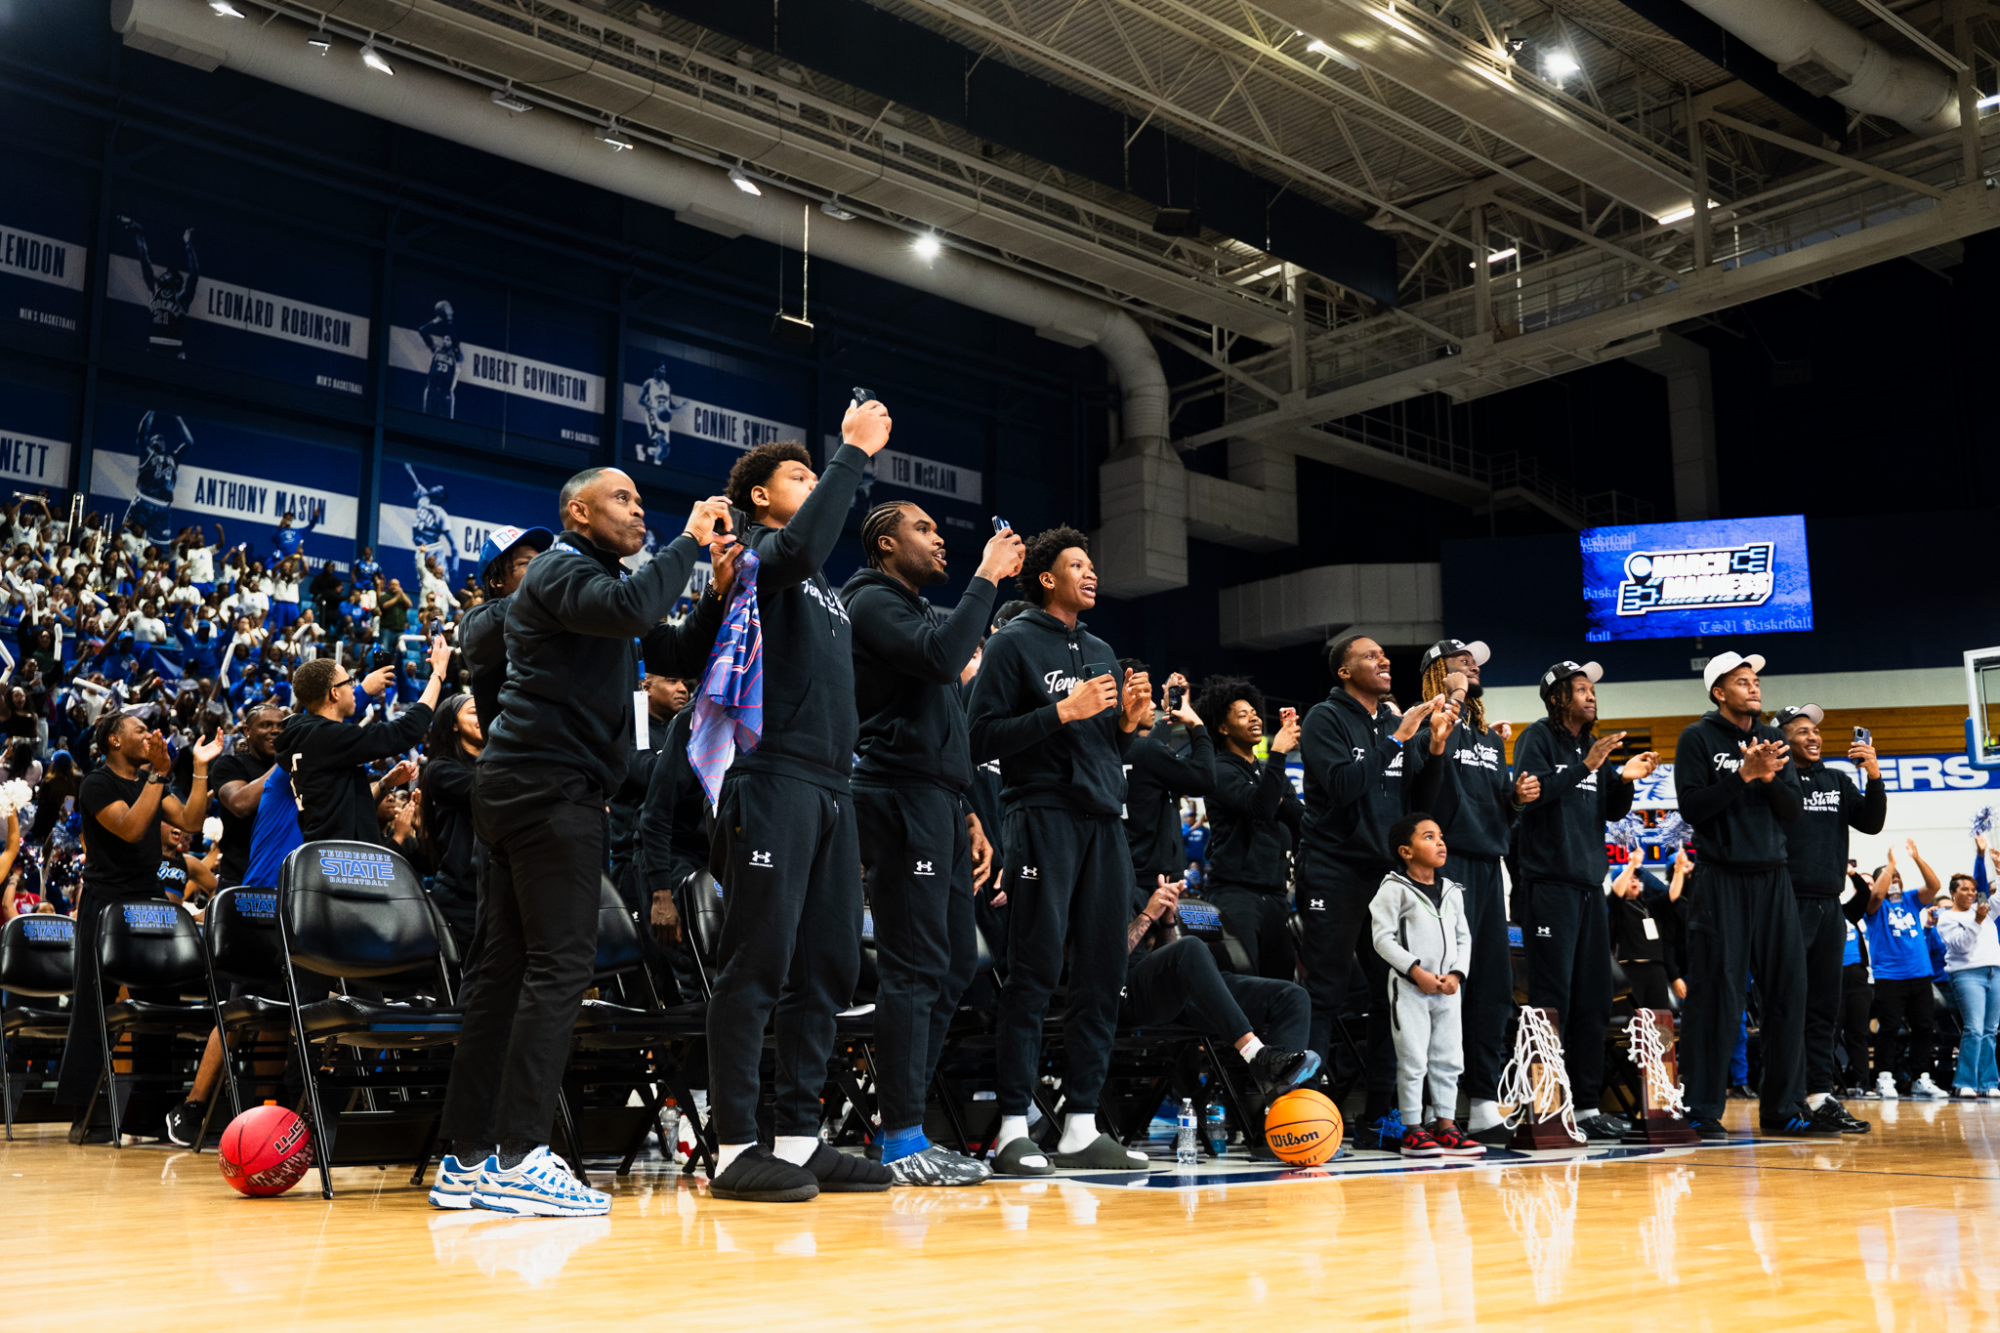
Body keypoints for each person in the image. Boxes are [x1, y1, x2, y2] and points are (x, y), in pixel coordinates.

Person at [430, 470, 734, 1218]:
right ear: (578, 511)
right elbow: (637, 604)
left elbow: (672, 643)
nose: (639, 509)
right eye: (622, 499)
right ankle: (522, 1154)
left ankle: (464, 1157)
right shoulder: (567, 567)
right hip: (550, 787)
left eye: (640, 499)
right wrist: (692, 539)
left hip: (520, 786)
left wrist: (717, 595)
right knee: (560, 966)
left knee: (500, 974)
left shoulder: (594, 587)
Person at [700, 412, 897, 1205]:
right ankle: (733, 1144)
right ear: (760, 494)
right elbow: (805, 543)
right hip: (770, 773)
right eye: (801, 478)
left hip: (830, 786)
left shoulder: (825, 590)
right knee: (759, 961)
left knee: (829, 966)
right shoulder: (754, 555)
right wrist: (851, 451)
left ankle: (795, 1138)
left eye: (819, 476)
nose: (815, 486)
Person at [839, 501, 1020, 1184]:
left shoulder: (912, 609)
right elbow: (946, 661)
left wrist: (969, 810)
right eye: (923, 529)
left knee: (951, 969)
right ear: (886, 544)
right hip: (898, 797)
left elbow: (947, 721)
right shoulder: (870, 600)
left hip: (940, 802)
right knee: (915, 967)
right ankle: (900, 1137)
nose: (940, 538)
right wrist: (987, 576)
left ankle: (903, 1123)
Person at [966, 526, 1152, 1177]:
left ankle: (1079, 1125)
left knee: (1104, 971)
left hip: (1104, 823)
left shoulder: (1101, 649)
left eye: (1093, 565)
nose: (1092, 573)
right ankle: (1013, 1126)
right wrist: (1062, 713)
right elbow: (979, 734)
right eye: (1079, 565)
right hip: (1040, 817)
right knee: (1035, 970)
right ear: (1046, 576)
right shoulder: (1014, 642)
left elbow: (1104, 749)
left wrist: (1125, 725)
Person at [1294, 634, 1450, 1150]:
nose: (1384, 660)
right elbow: (1342, 785)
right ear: (1343, 671)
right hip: (1334, 870)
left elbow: (1417, 804)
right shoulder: (1325, 718)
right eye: (1369, 655)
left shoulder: (1391, 722)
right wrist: (1400, 738)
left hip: (1387, 878)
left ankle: (1382, 1115)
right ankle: (1308, 1112)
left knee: (1393, 993)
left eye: (1385, 655)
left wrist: (1434, 748)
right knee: (1325, 991)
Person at [1673, 651, 1828, 1138]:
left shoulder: (1774, 739)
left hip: (1774, 878)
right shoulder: (1696, 738)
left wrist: (1766, 776)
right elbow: (1694, 807)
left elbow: (1792, 811)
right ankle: (1701, 1110)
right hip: (1721, 878)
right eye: (1743, 681)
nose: (1754, 687)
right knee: (1716, 996)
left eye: (1756, 680)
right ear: (1719, 692)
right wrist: (1741, 776)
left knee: (1788, 993)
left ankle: (1784, 1109)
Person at [1513, 660, 1655, 1143]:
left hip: (1589, 886)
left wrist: (1625, 778)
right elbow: (1531, 796)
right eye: (1580, 689)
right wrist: (1589, 766)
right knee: (1554, 999)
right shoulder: (1539, 738)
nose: (1591, 696)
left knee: (1594, 998)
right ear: (1557, 698)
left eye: (1592, 688)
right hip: (1548, 884)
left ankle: (1590, 1105)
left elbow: (1611, 808)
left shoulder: (1587, 748)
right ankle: (1550, 1105)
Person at [54, 715, 220, 1121]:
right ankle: (84, 1114)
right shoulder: (96, 783)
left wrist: (198, 769)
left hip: (148, 905)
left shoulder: (152, 781)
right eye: (139, 729)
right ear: (113, 740)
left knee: (162, 1002)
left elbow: (192, 822)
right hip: (106, 904)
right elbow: (129, 828)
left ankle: (148, 1111)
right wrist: (158, 776)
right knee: (95, 1007)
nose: (149, 734)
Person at [1401, 637, 1534, 1146]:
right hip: (1443, 867)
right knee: (1443, 989)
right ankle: (1437, 1108)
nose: (1472, 667)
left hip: (1487, 868)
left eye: (1475, 662)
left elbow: (1497, 807)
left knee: (1492, 989)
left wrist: (1516, 800)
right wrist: (1447, 705)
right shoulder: (1422, 723)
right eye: (1461, 661)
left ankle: (1481, 1102)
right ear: (1437, 671)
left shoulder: (1486, 736)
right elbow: (1421, 794)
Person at [1122, 874, 1320, 1122]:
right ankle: (1257, 1056)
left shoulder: (1141, 884)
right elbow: (1105, 959)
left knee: (1292, 996)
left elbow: (1164, 958)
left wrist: (1167, 922)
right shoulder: (1097, 886)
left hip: (1168, 991)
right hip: (1124, 994)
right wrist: (1148, 914)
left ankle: (1283, 1122)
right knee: (1191, 946)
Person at [1776, 703, 1884, 1133]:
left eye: (1816, 731)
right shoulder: (1776, 780)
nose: (1814, 736)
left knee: (1824, 1006)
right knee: (1787, 1005)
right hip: (1786, 902)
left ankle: (1820, 1095)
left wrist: (1873, 775)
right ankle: (1785, 1097)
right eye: (1802, 730)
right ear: (1782, 738)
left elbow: (1872, 823)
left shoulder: (1837, 780)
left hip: (1828, 906)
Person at [1369, 813, 1480, 1158]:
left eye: (1441, 836)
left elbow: (1464, 938)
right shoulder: (1393, 889)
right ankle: (1413, 1129)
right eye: (1429, 837)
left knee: (1449, 1057)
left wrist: (1457, 974)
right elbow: (1382, 940)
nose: (1440, 842)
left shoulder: (1452, 891)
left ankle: (1445, 1125)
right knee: (1413, 1058)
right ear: (1406, 851)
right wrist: (1416, 971)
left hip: (1448, 989)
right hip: (1410, 988)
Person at [276, 645, 449, 845]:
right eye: (349, 684)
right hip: (340, 856)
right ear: (334, 693)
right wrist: (437, 674)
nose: (353, 688)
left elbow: (344, 802)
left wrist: (384, 784)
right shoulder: (328, 736)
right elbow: (404, 731)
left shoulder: (308, 735)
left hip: (323, 848)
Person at [1194, 675, 1301, 981]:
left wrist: (1275, 797)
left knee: (1281, 985)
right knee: (1243, 983)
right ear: (1223, 728)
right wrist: (1278, 753)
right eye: (1243, 715)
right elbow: (1261, 807)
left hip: (1275, 894)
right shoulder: (1218, 769)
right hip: (1235, 893)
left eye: (1254, 712)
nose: (1254, 717)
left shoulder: (1268, 772)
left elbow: (1300, 819)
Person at [1119, 663, 1215, 906]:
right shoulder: (1145, 751)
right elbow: (1205, 778)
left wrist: (1171, 713)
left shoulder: (1106, 748)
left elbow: (1149, 751)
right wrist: (1195, 723)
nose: (1152, 706)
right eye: (1144, 698)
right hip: (1153, 880)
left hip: (1121, 873)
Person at [1861, 841, 1946, 1100]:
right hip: (1890, 977)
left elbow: (1935, 886)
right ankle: (1885, 1077)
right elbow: (1876, 895)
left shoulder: (1910, 899)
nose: (1895, 880)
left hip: (1920, 974)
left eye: (1898, 877)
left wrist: (1917, 858)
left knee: (1923, 1027)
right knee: (1889, 1028)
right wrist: (1891, 865)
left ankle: (1922, 1078)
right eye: (1890, 878)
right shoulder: (1873, 908)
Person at [1937, 867, 2000, 1098]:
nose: (1971, 893)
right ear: (1953, 893)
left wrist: (1999, 871)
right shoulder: (1947, 917)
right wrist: (1977, 921)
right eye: (1964, 889)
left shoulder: (1981, 909)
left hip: (1995, 971)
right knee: (1973, 1028)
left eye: (1973, 889)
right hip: (1967, 974)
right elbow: (1960, 946)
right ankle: (1965, 1082)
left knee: (1990, 1030)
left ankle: (1989, 1082)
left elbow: (1996, 898)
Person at [208, 701, 283, 887]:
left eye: (281, 726)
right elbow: (241, 804)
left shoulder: (299, 768)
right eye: (266, 725)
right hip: (240, 878)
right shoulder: (229, 765)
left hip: (286, 879)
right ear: (247, 731)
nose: (275, 731)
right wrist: (285, 761)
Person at [1606, 851, 1687, 1009]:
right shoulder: (1615, 908)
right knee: (1633, 1019)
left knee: (1659, 1018)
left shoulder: (1650, 906)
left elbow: (1673, 894)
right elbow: (1616, 892)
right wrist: (1631, 866)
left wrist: (1679, 869)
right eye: (1629, 879)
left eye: (1636, 878)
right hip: (1629, 969)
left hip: (1656, 969)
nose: (1634, 880)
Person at [118, 217, 199, 358]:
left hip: (174, 351)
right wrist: (139, 232)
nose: (163, 275)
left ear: (175, 280)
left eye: (167, 274)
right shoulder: (155, 289)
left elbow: (194, 274)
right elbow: (144, 257)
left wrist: (189, 246)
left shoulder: (181, 297)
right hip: (154, 348)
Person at [418, 300, 463, 418]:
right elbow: (422, 331)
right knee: (426, 421)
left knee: (445, 425)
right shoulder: (436, 350)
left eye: (448, 339)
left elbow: (454, 337)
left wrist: (449, 320)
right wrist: (436, 320)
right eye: (444, 339)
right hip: (432, 391)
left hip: (445, 394)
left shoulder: (457, 355)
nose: (445, 340)